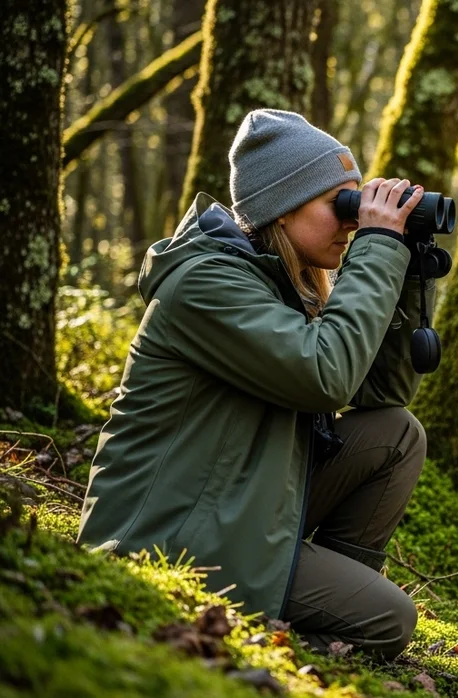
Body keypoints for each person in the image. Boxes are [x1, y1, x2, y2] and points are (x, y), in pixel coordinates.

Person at [77, 109, 433, 659]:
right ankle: (268, 642)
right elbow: (326, 376)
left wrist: (400, 269)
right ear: (282, 210)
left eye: (356, 206)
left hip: (245, 511)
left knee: (395, 433)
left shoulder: (278, 283)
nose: (353, 222)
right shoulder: (205, 283)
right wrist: (379, 249)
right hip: (171, 539)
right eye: (340, 205)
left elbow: (379, 394)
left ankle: (320, 599)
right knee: (389, 619)